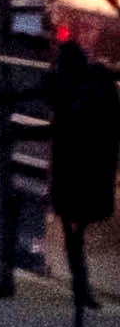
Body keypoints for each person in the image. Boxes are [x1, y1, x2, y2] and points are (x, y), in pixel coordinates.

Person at [56, 27, 115, 309]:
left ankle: (82, 285)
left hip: (72, 173)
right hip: (90, 172)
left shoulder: (69, 90)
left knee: (73, 232)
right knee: (76, 231)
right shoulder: (98, 86)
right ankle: (82, 285)